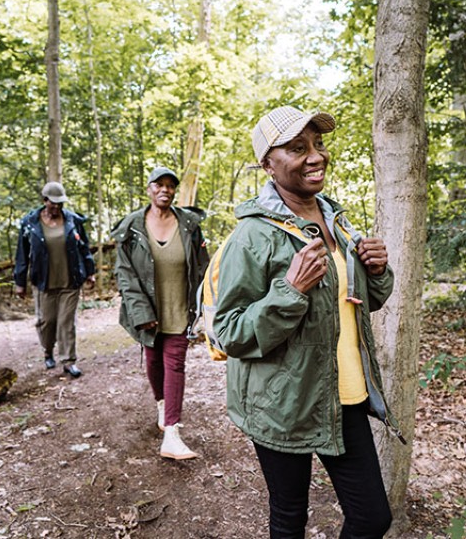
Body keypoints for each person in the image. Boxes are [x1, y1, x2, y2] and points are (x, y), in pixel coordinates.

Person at [213, 106, 404, 538]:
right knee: (289, 517)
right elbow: (229, 332)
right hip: (281, 404)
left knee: (373, 517)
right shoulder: (252, 235)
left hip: (346, 395)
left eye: (317, 145)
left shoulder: (335, 220)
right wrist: (290, 291)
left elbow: (355, 305)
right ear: (268, 164)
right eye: (297, 148)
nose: (315, 156)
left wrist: (375, 272)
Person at [113, 167, 210, 460]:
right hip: (148, 312)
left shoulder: (189, 224)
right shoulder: (131, 227)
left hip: (180, 309)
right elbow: (125, 274)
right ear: (149, 189)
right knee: (154, 362)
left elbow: (203, 267)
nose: (165, 190)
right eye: (159, 185)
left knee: (175, 365)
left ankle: (171, 432)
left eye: (170, 186)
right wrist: (141, 311)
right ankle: (161, 403)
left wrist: (205, 307)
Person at [13, 181, 96, 378]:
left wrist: (90, 272)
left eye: (60, 203)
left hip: (71, 280)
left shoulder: (73, 221)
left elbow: (84, 248)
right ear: (44, 201)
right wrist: (19, 282)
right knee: (46, 322)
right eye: (53, 203)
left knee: (66, 322)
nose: (57, 207)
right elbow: (22, 254)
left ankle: (69, 361)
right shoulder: (30, 223)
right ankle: (48, 351)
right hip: (43, 281)